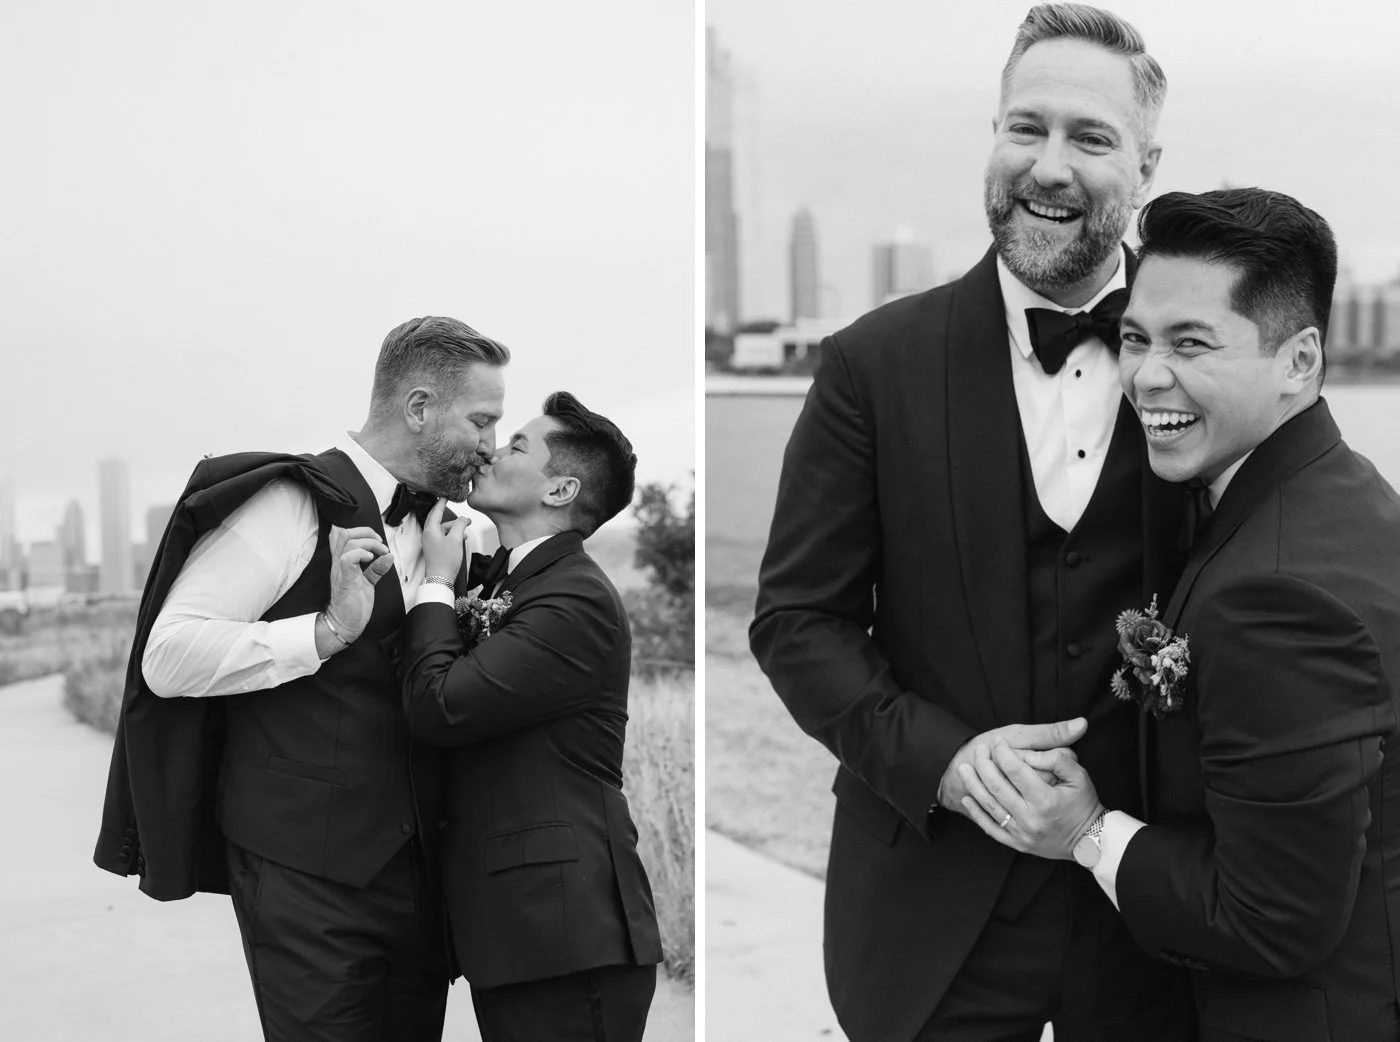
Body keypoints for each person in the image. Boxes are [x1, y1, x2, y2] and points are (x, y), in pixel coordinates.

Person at [750, 4, 1196, 1039]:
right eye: (1023, 127)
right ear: (991, 135)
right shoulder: (868, 365)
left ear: (1145, 167)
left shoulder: (1197, 365)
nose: (1047, 165)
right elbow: (795, 620)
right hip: (926, 918)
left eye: (1089, 138)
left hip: (1150, 924)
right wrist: (945, 762)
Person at [962, 188, 1400, 1041]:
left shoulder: (1283, 593)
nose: (1146, 375)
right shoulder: (1344, 496)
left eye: (1192, 343)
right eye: (1135, 337)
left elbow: (1268, 920)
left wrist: (1088, 831)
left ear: (1300, 361)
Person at [93, 315, 508, 1042]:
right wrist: (324, 632)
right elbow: (168, 656)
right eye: (481, 420)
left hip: (418, 883)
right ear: (418, 408)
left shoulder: (454, 533)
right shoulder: (289, 504)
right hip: (304, 877)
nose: (491, 444)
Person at [401, 391, 662, 1042]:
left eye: (517, 445)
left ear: (560, 489)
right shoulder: (506, 582)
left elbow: (440, 707)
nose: (491, 449)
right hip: (520, 934)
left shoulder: (574, 600)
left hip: (568, 937)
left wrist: (436, 585)